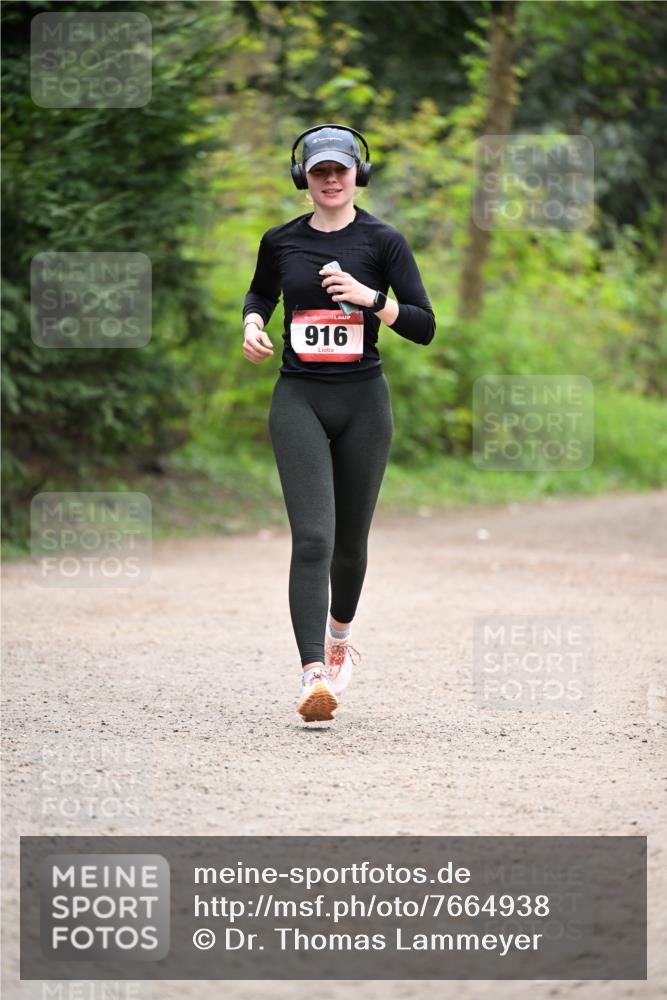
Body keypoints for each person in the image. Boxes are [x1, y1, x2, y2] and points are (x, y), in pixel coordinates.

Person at [242, 124, 435, 723]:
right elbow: (259, 297)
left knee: (350, 546)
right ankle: (311, 675)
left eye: (340, 170)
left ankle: (339, 639)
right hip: (298, 397)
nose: (330, 180)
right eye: (319, 171)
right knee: (315, 539)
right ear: (304, 178)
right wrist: (251, 325)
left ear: (358, 175)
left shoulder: (384, 241)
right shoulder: (280, 241)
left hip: (363, 404)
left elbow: (424, 325)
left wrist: (370, 297)